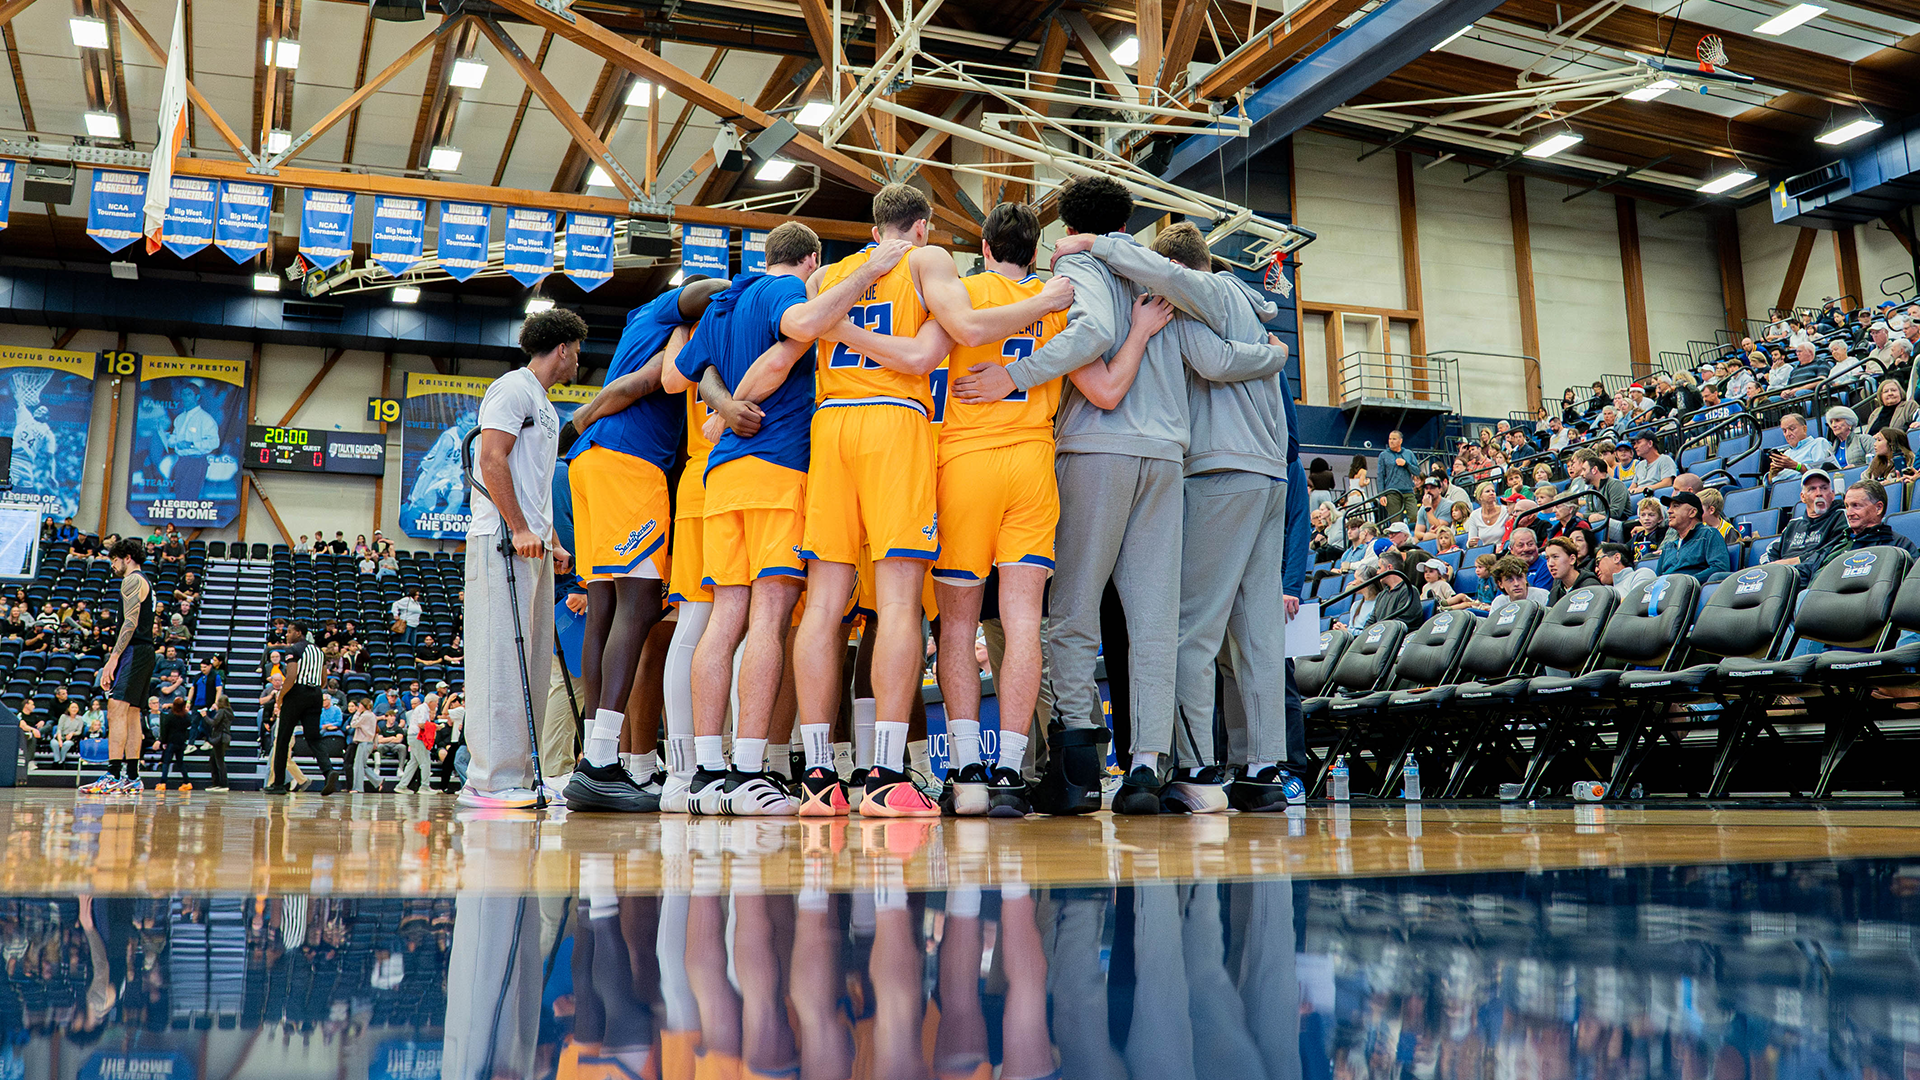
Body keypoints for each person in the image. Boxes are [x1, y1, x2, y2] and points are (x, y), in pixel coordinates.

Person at [558, 277, 728, 814]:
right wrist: (746, 292)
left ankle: (596, 759)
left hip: (592, 463)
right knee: (639, 605)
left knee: (605, 605)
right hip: (628, 465)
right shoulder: (671, 318)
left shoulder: (641, 323)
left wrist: (581, 424)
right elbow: (637, 385)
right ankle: (602, 761)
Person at [458, 308, 581, 809]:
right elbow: (490, 459)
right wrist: (520, 527)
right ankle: (487, 780)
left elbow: (532, 481)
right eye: (577, 350)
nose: (579, 359)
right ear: (564, 348)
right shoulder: (512, 388)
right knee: (499, 663)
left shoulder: (545, 405)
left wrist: (549, 540)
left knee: (529, 664)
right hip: (500, 539)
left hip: (530, 544)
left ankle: (522, 773)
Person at [80, 538, 161, 794]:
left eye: (114, 560)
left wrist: (113, 658)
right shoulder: (146, 580)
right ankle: (133, 777)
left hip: (134, 650)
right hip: (146, 650)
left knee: (115, 708)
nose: (112, 565)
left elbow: (130, 623)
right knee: (133, 713)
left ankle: (113, 774)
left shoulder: (132, 579)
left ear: (126, 557)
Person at [265, 624, 339, 795]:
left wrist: (281, 696)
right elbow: (322, 681)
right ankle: (328, 771)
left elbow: (291, 676)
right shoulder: (319, 652)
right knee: (314, 737)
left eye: (290, 631)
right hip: (315, 694)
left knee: (283, 739)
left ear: (299, 633)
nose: (287, 634)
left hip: (297, 693)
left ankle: (277, 784)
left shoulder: (294, 649)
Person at [1761, 468, 1850, 585]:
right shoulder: (1793, 524)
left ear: (1832, 495)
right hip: (1782, 576)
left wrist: (1794, 561)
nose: (1819, 493)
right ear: (1803, 497)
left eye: (1824, 488)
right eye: (1812, 489)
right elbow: (1770, 552)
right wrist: (1775, 568)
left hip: (1814, 577)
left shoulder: (1842, 517)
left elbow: (1833, 550)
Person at [1653, 491, 1729, 583]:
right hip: (1668, 592)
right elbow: (1658, 577)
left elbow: (1720, 568)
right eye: (1669, 507)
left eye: (1675, 506)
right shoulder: (1668, 545)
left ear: (1692, 512)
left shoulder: (1708, 534)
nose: (1669, 511)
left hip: (1692, 591)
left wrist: (1688, 581)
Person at [163, 381, 220, 501]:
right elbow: (175, 437)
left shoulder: (205, 419)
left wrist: (192, 445)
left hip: (196, 462)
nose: (184, 397)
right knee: (179, 497)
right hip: (182, 461)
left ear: (197, 397)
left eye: (188, 394)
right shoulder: (179, 418)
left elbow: (214, 442)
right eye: (183, 394)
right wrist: (171, 440)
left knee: (190, 498)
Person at [1766, 412, 1838, 479]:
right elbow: (1770, 486)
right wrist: (1772, 474)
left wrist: (1796, 466)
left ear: (1804, 428)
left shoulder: (1818, 443)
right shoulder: (1786, 454)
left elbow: (1822, 473)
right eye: (1784, 431)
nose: (1788, 434)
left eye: (1792, 429)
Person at [1367, 550, 1423, 628]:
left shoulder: (1409, 591)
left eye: (1379, 568)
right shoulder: (1381, 595)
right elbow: (1371, 621)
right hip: (1382, 636)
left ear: (1389, 567)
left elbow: (1402, 622)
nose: (1377, 572)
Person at [1544, 537, 1602, 603]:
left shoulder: (1590, 586)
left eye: (1555, 557)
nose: (1550, 564)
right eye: (1547, 559)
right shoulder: (1554, 593)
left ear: (1572, 559)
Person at [154, 699, 192, 789]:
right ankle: (187, 782)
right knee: (180, 762)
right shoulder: (187, 716)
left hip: (171, 741)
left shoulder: (170, 716)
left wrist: (163, 741)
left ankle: (163, 783)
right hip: (181, 742)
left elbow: (165, 730)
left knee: (166, 762)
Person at [1826, 405, 1872, 469]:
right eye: (1831, 422)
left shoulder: (1864, 439)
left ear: (1849, 423)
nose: (1833, 425)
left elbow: (1877, 460)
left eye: (1837, 420)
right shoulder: (1831, 450)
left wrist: (1856, 467)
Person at [1466, 482, 1508, 547]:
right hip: (1486, 552)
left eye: (1493, 491)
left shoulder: (1506, 511)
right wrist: (1471, 543)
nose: (1492, 493)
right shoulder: (1474, 515)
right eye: (1487, 491)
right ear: (1480, 497)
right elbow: (1471, 540)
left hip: (1504, 549)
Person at [1629, 497, 1668, 566]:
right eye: (1643, 515)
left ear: (1660, 518)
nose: (1646, 518)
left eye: (1651, 515)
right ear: (1639, 519)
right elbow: (1625, 549)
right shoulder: (1638, 536)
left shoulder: (1663, 534)